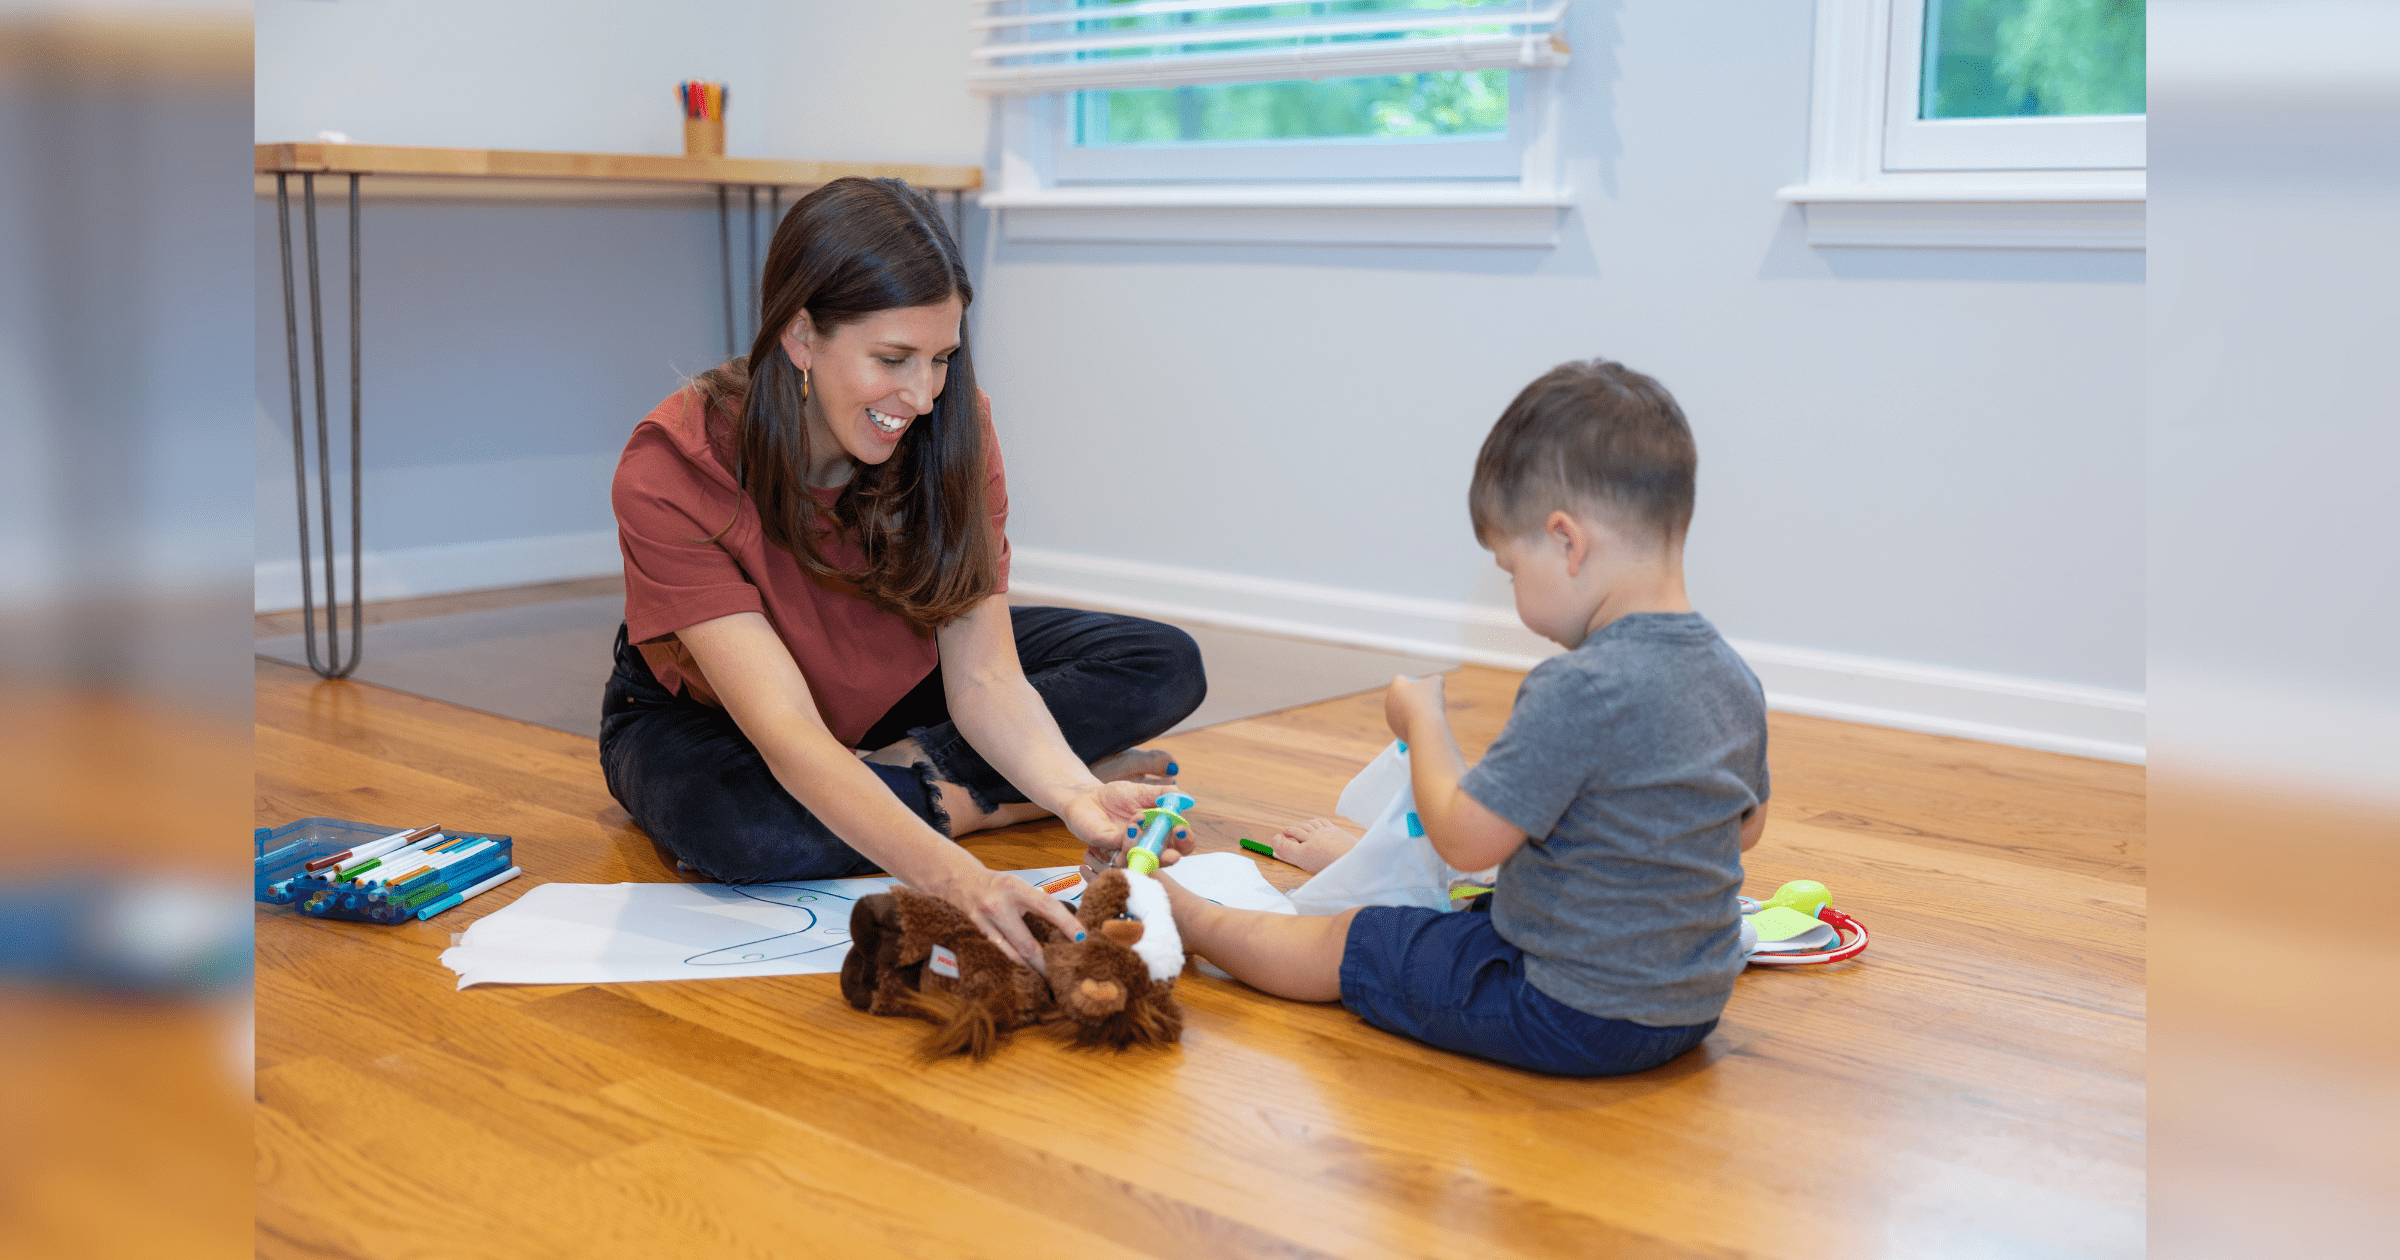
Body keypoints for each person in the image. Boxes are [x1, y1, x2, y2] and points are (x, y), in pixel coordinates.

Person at [601, 177, 1206, 967]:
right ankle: (973, 801)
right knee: (743, 830)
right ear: (801, 336)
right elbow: (785, 731)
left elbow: (985, 678)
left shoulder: (955, 426)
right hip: (717, 716)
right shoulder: (672, 465)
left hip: (890, 673)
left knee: (1160, 662)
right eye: (892, 358)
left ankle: (909, 784)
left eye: (942, 358)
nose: (921, 396)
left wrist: (1073, 797)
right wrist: (964, 879)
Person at [1162, 358, 1768, 1077]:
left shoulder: (1578, 686)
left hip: (1570, 1011)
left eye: (1511, 570)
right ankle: (1358, 867)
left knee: (1356, 940)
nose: (1513, 593)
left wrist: (1422, 719)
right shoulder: (1733, 675)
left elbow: (1464, 839)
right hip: (1691, 1006)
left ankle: (1193, 921)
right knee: (1472, 907)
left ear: (1568, 543)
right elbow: (1746, 826)